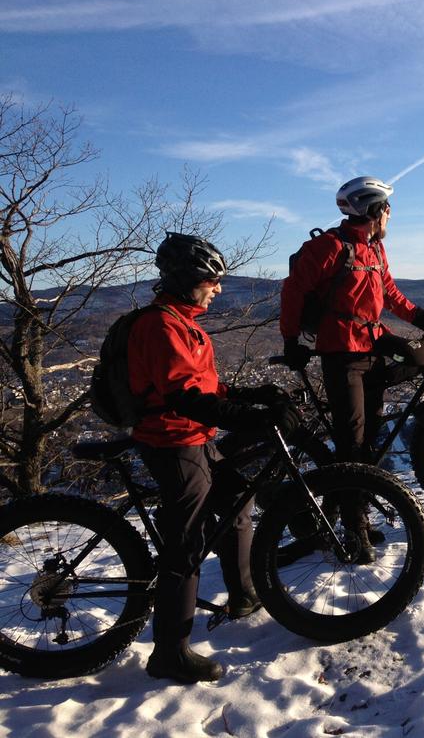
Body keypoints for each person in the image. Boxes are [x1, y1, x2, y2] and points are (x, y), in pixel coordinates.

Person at [129, 231, 299, 684]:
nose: (219, 289)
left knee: (239, 499)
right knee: (185, 543)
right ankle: (169, 653)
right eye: (211, 280)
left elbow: (203, 386)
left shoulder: (184, 323)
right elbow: (183, 397)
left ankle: (244, 593)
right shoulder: (161, 326)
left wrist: (251, 395)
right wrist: (249, 417)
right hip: (172, 442)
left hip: (194, 437)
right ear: (186, 280)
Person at [279, 176, 424, 560]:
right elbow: (293, 290)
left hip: (373, 345)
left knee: (370, 437)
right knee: (352, 443)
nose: (391, 214)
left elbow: (390, 295)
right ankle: (354, 529)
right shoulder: (330, 247)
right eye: (388, 208)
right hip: (341, 354)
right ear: (375, 209)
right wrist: (291, 341)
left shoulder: (374, 248)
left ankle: (353, 507)